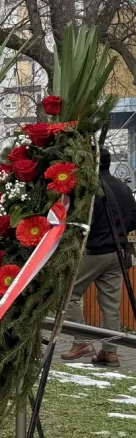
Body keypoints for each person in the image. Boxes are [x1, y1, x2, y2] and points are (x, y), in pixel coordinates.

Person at [61, 149, 136, 368]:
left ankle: (82, 341)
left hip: (93, 252)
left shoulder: (88, 189)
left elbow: (80, 222)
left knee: (68, 296)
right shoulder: (123, 187)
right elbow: (133, 219)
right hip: (117, 254)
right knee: (110, 306)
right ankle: (110, 353)